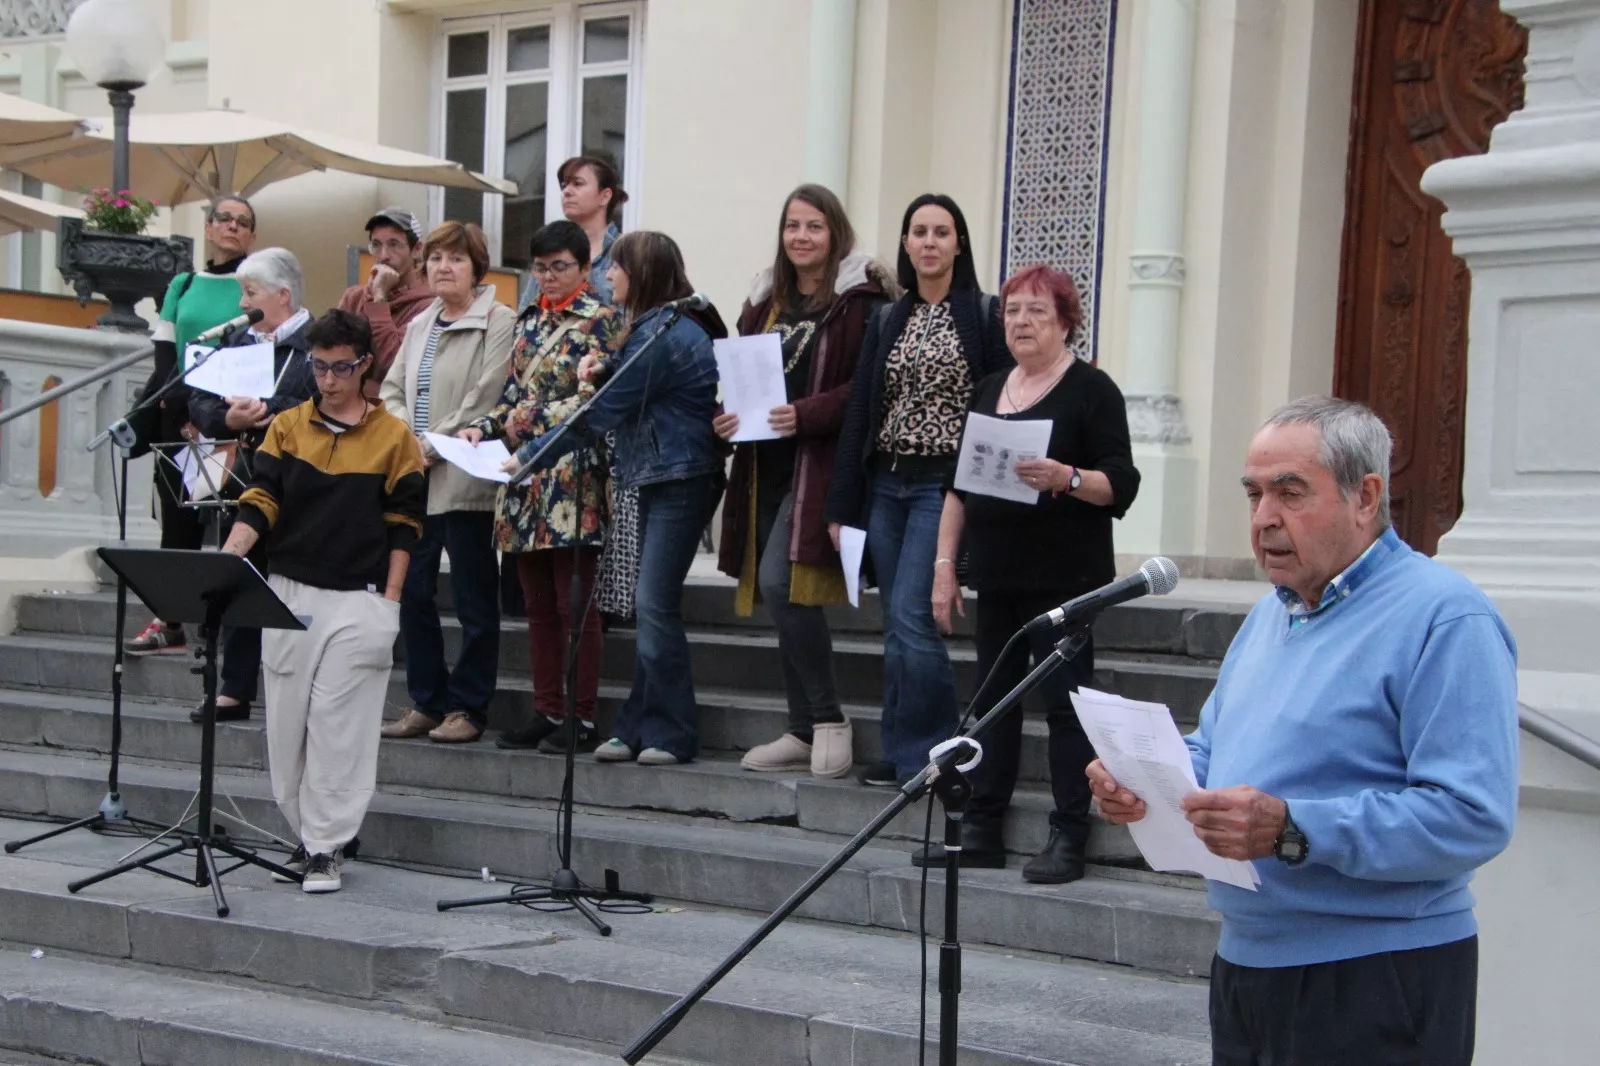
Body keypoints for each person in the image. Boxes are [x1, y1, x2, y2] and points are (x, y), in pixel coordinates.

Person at [1090, 397, 1518, 1064]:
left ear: (1365, 496)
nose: (1264, 519)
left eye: (1290, 493)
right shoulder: (1272, 614)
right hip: (1248, 966)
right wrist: (1141, 780)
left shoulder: (1445, 616)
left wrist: (1293, 830)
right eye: (1255, 494)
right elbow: (1215, 751)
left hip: (1378, 971)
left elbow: (1471, 815)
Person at [921, 264, 1139, 883]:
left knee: (1067, 708)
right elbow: (958, 490)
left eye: (1037, 311)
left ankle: (1069, 833)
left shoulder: (1092, 391)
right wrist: (944, 568)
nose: (1021, 321)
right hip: (997, 575)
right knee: (991, 703)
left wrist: (1066, 478)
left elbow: (1120, 485)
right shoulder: (989, 387)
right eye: (1013, 310)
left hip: (1065, 582)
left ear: (1066, 321)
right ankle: (983, 826)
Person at [222, 309, 426, 893]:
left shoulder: (395, 438)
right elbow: (261, 499)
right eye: (319, 366)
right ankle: (308, 833)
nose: (328, 379)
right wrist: (230, 560)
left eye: (341, 367)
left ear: (365, 365)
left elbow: (405, 526)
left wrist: (389, 603)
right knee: (287, 726)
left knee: (341, 728)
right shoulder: (287, 425)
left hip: (360, 597)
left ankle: (325, 847)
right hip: (287, 590)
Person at [511, 231, 727, 766]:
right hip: (658, 476)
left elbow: (600, 414)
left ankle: (672, 732)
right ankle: (636, 726)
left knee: (654, 606)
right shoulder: (656, 328)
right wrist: (606, 368)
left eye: (618, 268)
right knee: (650, 609)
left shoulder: (668, 332)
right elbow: (631, 385)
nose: (609, 276)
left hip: (680, 479)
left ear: (643, 273)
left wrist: (530, 456)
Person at [824, 193, 1010, 787]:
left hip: (944, 486)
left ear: (959, 244)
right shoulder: (888, 318)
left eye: (941, 232)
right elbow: (861, 412)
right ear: (905, 244)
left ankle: (937, 755)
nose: (929, 242)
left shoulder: (983, 313)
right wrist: (839, 506)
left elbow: (1002, 403)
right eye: (919, 232)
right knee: (896, 622)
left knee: (912, 615)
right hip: (887, 482)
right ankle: (904, 749)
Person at [715, 184, 893, 779]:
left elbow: (870, 385)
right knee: (776, 590)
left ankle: (827, 718)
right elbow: (747, 371)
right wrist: (729, 413)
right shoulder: (765, 301)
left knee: (779, 578)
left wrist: (809, 413)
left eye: (814, 226)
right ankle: (799, 724)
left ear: (834, 232)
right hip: (764, 463)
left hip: (823, 464)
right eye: (792, 225)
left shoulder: (858, 301)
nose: (801, 237)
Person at [460, 220, 624, 753]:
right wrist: (479, 429)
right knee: (534, 606)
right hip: (523, 479)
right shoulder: (529, 320)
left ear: (583, 268)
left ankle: (581, 716)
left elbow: (592, 399)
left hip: (574, 477)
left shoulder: (602, 319)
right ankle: (547, 711)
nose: (549, 276)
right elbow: (508, 398)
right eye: (541, 267)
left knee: (573, 604)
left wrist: (522, 421)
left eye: (560, 266)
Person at [379, 222, 516, 745]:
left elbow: (487, 397)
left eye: (456, 259)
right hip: (415, 476)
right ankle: (426, 701)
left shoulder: (498, 320)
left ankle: (468, 707)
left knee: (473, 597)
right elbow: (392, 389)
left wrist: (431, 444)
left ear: (476, 268)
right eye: (435, 258)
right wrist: (404, 441)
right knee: (413, 592)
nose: (443, 268)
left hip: (465, 476)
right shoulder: (420, 323)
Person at [184, 247, 318, 725]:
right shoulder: (236, 342)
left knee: (291, 583)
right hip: (241, 480)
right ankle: (234, 688)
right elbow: (196, 399)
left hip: (300, 484)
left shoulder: (316, 341)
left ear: (282, 295)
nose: (242, 303)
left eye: (251, 292)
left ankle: (296, 688)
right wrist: (225, 416)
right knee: (239, 578)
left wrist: (264, 409)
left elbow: (321, 398)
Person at [124, 195, 258, 656]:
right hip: (175, 415)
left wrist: (208, 416)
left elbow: (250, 354)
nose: (232, 227)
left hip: (227, 416)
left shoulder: (252, 284)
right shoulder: (181, 284)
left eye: (243, 222)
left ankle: (227, 623)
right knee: (176, 523)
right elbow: (165, 355)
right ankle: (170, 620)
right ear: (208, 226)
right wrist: (176, 415)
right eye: (224, 218)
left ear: (252, 235)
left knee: (229, 519)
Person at [336, 207, 435, 399]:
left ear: (416, 250)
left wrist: (379, 298)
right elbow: (329, 356)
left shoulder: (429, 305)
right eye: (376, 244)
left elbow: (393, 365)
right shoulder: (353, 297)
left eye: (394, 245)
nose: (383, 255)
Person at [519, 155, 627, 309]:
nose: (567, 192)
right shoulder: (549, 247)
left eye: (578, 184)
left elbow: (631, 321)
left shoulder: (625, 255)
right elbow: (525, 313)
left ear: (605, 196)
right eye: (564, 186)